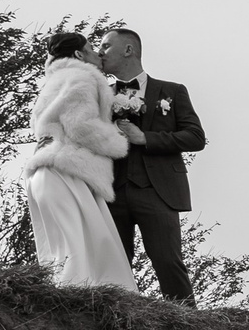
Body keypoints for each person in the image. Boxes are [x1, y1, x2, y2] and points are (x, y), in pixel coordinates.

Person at [17, 32, 139, 290]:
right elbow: (80, 126)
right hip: (66, 170)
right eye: (93, 49)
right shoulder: (83, 77)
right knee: (86, 247)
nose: (99, 55)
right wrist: (118, 141)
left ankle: (70, 305)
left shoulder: (54, 81)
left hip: (46, 168)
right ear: (78, 55)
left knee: (62, 249)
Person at [94, 27, 208, 304]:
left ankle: (188, 328)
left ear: (129, 50)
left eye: (106, 46)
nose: (100, 53)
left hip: (158, 191)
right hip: (111, 191)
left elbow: (195, 137)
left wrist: (145, 138)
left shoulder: (172, 91)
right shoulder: (100, 96)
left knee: (168, 262)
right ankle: (117, 324)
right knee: (115, 265)